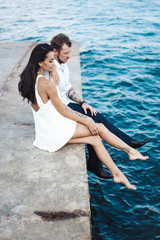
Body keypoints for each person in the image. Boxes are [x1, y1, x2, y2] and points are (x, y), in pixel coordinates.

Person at [18, 43, 148, 190]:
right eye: (50, 61)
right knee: (98, 127)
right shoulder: (46, 84)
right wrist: (87, 120)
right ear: (40, 62)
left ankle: (118, 174)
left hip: (45, 131)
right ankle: (130, 151)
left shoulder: (31, 79)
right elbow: (63, 110)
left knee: (95, 139)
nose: (54, 63)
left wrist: (52, 70)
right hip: (54, 131)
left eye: (54, 59)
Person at [44, 33, 149, 179]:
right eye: (66, 53)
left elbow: (67, 89)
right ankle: (105, 159)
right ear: (55, 51)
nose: (69, 56)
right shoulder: (49, 69)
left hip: (67, 103)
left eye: (70, 52)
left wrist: (83, 103)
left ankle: (122, 147)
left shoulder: (63, 65)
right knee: (93, 125)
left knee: (95, 115)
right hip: (60, 109)